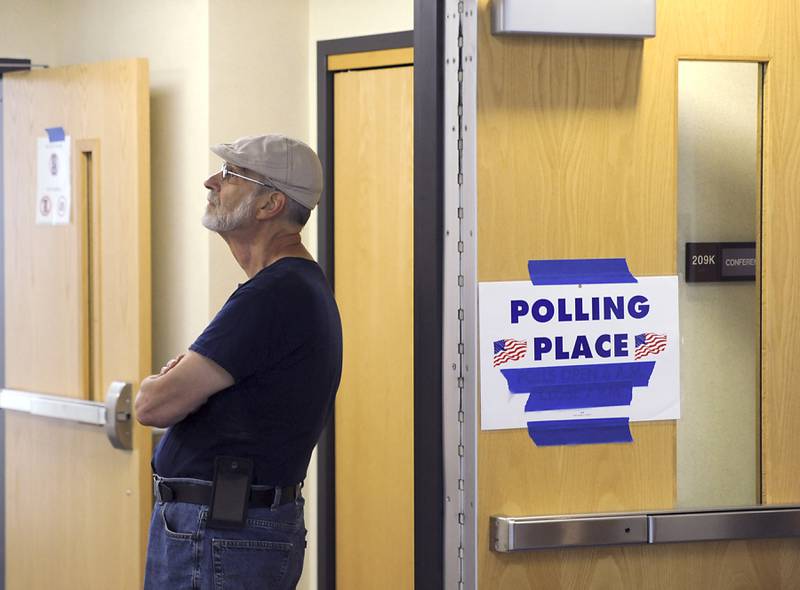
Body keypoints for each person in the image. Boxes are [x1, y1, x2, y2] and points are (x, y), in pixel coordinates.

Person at [136, 134, 343, 589]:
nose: (212, 181)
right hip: (227, 530)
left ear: (270, 204)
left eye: (231, 175)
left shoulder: (275, 293)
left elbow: (153, 406)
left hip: (220, 533)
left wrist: (168, 382)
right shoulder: (289, 287)